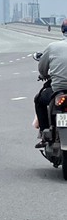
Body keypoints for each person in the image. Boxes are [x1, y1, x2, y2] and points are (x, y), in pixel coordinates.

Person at [34, 18, 67, 148]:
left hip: (57, 90)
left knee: (38, 100)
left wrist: (43, 75)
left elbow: (42, 67)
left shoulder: (53, 47)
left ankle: (44, 132)